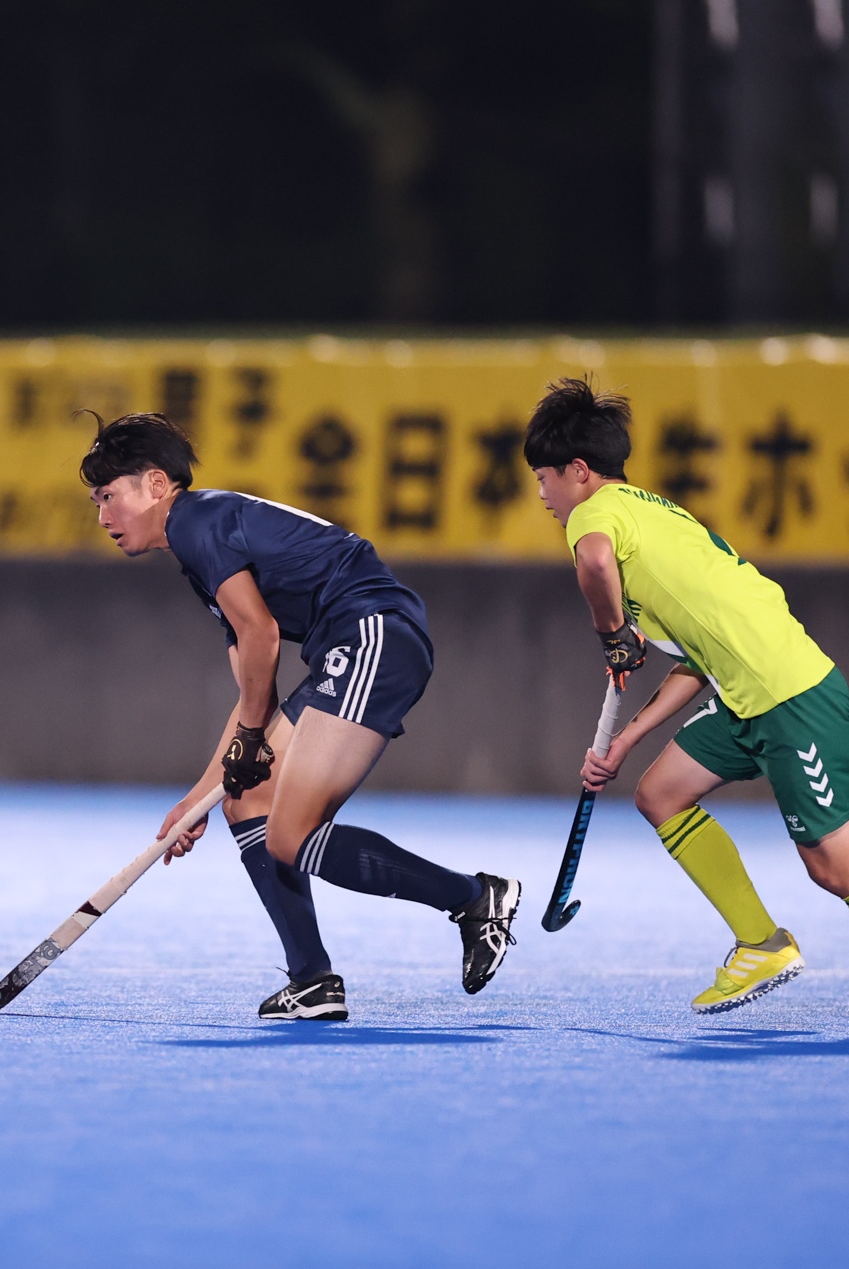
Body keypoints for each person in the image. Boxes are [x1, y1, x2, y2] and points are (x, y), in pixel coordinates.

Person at [527, 379, 849, 1031]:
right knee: (659, 794)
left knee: (833, 868)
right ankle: (759, 943)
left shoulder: (595, 517)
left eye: (543, 479)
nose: (543, 496)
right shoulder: (654, 516)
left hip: (790, 696)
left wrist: (611, 634)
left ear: (579, 471)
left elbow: (595, 563)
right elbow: (700, 662)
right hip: (746, 694)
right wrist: (625, 742)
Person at [83, 412, 522, 1021]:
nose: (102, 517)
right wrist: (197, 798)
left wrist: (247, 741)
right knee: (244, 803)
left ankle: (474, 897)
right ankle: (311, 978)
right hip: (350, 644)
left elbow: (262, 637)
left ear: (156, 484)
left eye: (109, 496)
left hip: (372, 633)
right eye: (95, 502)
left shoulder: (196, 522)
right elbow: (252, 690)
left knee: (290, 834)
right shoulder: (199, 546)